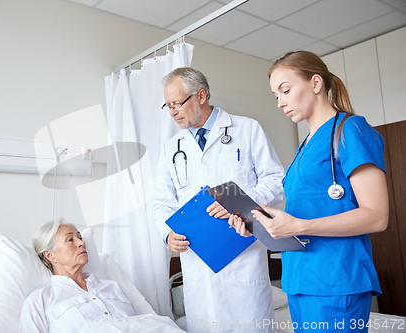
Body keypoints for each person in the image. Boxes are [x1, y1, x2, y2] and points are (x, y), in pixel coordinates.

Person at [247, 51, 388, 332]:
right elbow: (306, 210)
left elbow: (377, 216)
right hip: (300, 279)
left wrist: (300, 225)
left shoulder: (349, 130)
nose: (280, 102)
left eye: (285, 90)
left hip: (335, 277)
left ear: (315, 83)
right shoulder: (304, 149)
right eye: (276, 95)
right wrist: (257, 223)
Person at [153, 67, 285, 333]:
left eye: (177, 103)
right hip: (197, 262)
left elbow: (276, 181)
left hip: (242, 257)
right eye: (167, 106)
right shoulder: (171, 149)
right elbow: (160, 203)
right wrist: (167, 233)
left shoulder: (247, 129)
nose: (172, 112)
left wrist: (235, 201)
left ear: (201, 96)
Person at [18, 218, 136, 333]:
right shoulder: (40, 301)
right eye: (70, 240)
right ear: (50, 255)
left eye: (80, 238)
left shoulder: (112, 287)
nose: (81, 243)